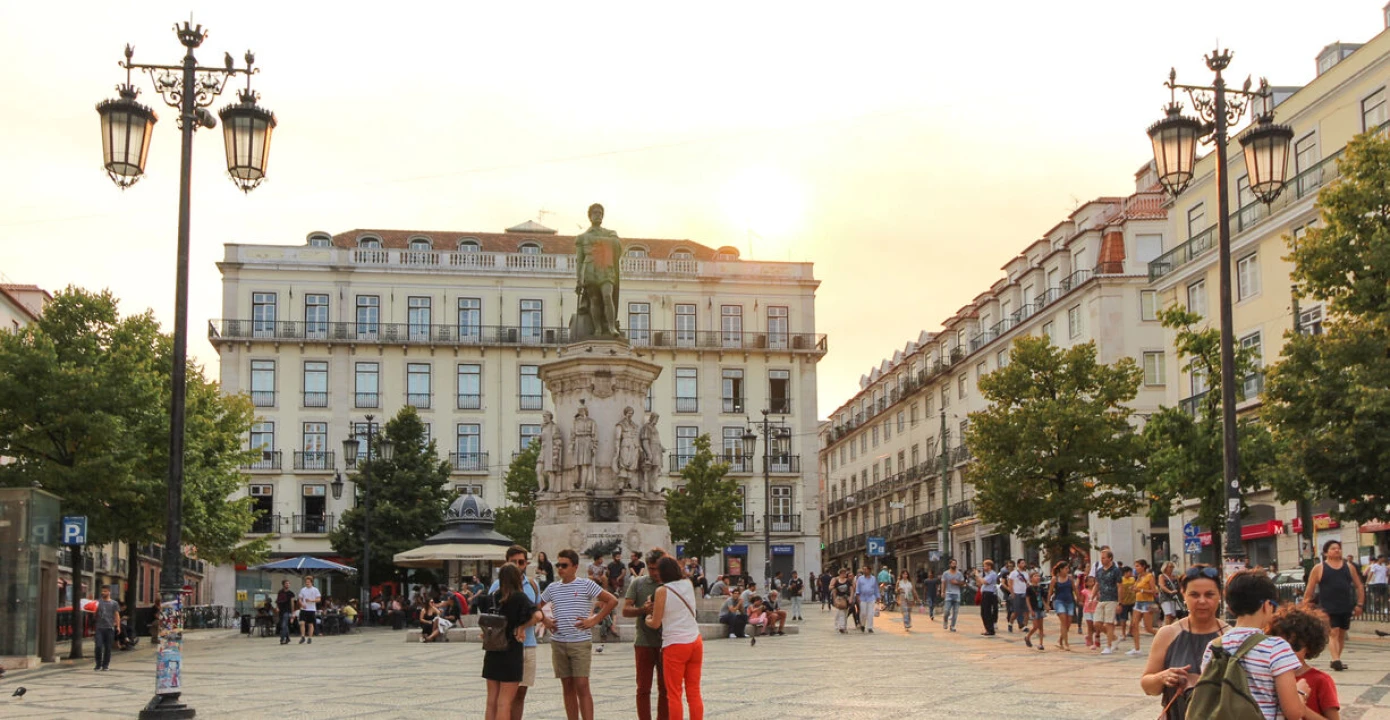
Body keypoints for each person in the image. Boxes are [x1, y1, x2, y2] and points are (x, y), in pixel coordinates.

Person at [1200, 570, 1304, 720]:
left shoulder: (1214, 646)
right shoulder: (1276, 647)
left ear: (1230, 608)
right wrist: (1301, 693)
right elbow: (1293, 712)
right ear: (1267, 605)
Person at [539, 548, 618, 720]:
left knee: (582, 685)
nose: (560, 568)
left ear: (575, 567)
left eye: (564, 565)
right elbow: (536, 606)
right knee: (567, 686)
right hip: (558, 641)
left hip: (580, 641)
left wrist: (595, 620)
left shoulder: (585, 584)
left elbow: (612, 600)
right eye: (558, 565)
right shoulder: (552, 587)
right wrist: (545, 620)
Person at [1139, 564, 1225, 720]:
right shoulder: (1168, 634)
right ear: (1183, 595)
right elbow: (1147, 686)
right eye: (1194, 595)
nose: (1202, 601)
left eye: (1209, 594)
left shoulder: (1230, 636)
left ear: (1220, 595)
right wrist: (1162, 677)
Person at [645, 556, 703, 720]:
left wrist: (647, 618)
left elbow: (656, 623)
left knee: (674, 693)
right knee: (694, 691)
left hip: (675, 645)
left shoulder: (662, 590)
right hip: (695, 641)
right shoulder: (688, 584)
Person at [483, 563, 543, 720]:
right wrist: (522, 627)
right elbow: (538, 616)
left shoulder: (494, 596)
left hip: (493, 651)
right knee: (505, 703)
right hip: (512, 651)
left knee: (491, 702)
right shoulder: (520, 597)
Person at [1268, 605, 1340, 720]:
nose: (1288, 651)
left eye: (1295, 646)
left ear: (1309, 646)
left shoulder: (1320, 680)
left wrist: (1298, 707)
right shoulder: (1269, 676)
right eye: (1281, 645)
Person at [1304, 540, 1366, 671]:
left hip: (1345, 606)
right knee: (1334, 632)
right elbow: (1309, 589)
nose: (1337, 550)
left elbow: (1359, 585)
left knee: (1341, 634)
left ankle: (1336, 658)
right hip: (1328, 606)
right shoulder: (1319, 568)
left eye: (1338, 548)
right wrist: (1305, 604)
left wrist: (1360, 604)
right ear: (1326, 552)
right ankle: (1336, 659)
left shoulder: (1349, 567)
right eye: (1333, 548)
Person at [623, 548, 668, 720]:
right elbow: (626, 610)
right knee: (643, 688)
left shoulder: (671, 584)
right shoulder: (639, 583)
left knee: (665, 689)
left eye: (657, 568)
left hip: (667, 642)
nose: (655, 573)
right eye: (651, 568)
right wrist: (643, 609)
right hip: (643, 641)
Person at [1093, 549, 1123, 655]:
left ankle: (1109, 646)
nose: (1102, 560)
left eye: (1104, 558)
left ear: (1110, 558)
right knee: (1096, 623)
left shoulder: (1116, 570)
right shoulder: (1099, 571)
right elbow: (1097, 584)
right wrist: (1092, 597)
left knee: (1109, 623)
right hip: (1102, 599)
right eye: (1101, 558)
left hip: (1112, 599)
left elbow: (1120, 586)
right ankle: (1114, 638)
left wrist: (1120, 602)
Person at [1049, 561, 1075, 651]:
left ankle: (1060, 640)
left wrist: (1079, 599)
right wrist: (1047, 604)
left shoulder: (1070, 578)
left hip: (1070, 601)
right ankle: (1066, 643)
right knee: (1063, 621)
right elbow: (1050, 591)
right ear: (1061, 569)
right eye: (1066, 568)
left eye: (1068, 568)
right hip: (1059, 601)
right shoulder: (1055, 579)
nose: (1067, 570)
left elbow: (1074, 589)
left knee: (1068, 623)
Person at [93, 586, 120, 671]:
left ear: (109, 592)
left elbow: (116, 615)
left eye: (105, 591)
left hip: (109, 628)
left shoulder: (114, 603)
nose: (103, 593)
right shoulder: (98, 602)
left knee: (108, 647)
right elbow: (93, 612)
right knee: (98, 646)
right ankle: (98, 664)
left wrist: (118, 626)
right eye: (102, 591)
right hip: (99, 628)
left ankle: (105, 665)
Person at [974, 559, 1000, 636]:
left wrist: (978, 575)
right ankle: (988, 628)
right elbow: (979, 583)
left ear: (989, 566)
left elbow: (984, 582)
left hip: (989, 594)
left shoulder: (992, 574)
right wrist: (977, 577)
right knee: (984, 612)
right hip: (985, 593)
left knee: (986, 612)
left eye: (985, 566)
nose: (983, 567)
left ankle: (990, 629)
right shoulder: (987, 574)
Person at [1022, 571, 1046, 651]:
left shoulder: (1041, 588)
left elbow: (1042, 598)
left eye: (1038, 576)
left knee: (1041, 627)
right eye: (1035, 576)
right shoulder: (1029, 588)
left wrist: (1046, 605)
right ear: (1031, 578)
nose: (1038, 577)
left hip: (1040, 608)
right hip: (1034, 608)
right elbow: (1027, 599)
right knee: (1036, 626)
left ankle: (1041, 643)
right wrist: (1030, 609)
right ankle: (1028, 636)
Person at [853, 565, 879, 634]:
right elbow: (857, 588)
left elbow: (876, 588)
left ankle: (870, 627)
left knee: (870, 613)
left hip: (871, 598)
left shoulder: (873, 578)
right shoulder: (860, 579)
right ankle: (862, 625)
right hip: (862, 598)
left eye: (865, 569)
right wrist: (857, 597)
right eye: (863, 569)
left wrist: (878, 596)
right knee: (863, 613)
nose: (864, 571)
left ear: (869, 570)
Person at [1008, 559, 1031, 637]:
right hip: (1017, 593)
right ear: (1018, 564)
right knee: (1016, 611)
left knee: (1026, 611)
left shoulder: (1026, 573)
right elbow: (1010, 584)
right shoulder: (1013, 573)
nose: (1024, 564)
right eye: (1022, 563)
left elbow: (1028, 583)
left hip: (1025, 593)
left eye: (1024, 563)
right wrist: (1012, 593)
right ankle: (1010, 623)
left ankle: (1024, 626)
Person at [941, 559, 964, 632]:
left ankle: (952, 625)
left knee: (955, 612)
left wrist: (956, 582)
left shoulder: (959, 574)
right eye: (953, 563)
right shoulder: (946, 573)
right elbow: (943, 583)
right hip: (948, 594)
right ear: (950, 564)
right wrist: (942, 592)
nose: (954, 565)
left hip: (957, 594)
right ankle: (945, 621)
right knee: (946, 610)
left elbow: (963, 583)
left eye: (955, 563)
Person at [298, 576, 321, 645]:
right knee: (302, 623)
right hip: (304, 609)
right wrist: (302, 604)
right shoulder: (303, 590)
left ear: (311, 582)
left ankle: (310, 637)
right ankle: (303, 636)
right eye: (306, 582)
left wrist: (311, 600)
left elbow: (319, 599)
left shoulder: (315, 590)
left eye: (308, 582)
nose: (307, 583)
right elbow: (300, 599)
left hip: (311, 609)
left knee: (310, 624)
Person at [829, 568, 854, 634]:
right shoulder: (836, 581)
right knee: (841, 613)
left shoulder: (848, 581)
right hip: (839, 599)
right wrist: (834, 600)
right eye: (842, 573)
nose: (844, 574)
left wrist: (851, 598)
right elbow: (834, 590)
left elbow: (851, 590)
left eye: (845, 573)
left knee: (845, 613)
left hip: (846, 599)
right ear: (840, 573)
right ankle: (841, 627)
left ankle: (844, 627)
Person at [1157, 561, 1181, 626]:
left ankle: (1166, 627)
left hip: (1174, 598)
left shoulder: (1175, 576)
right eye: (1170, 567)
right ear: (1165, 568)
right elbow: (1162, 586)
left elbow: (1179, 586)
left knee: (1173, 615)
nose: (1172, 568)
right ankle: (1166, 630)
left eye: (1172, 567)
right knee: (1168, 614)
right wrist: (1170, 591)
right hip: (1165, 597)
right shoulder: (1162, 576)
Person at [1082, 576, 1100, 650]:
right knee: (1090, 626)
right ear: (1086, 583)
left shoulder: (1096, 591)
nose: (1091, 583)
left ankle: (1092, 638)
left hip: (1095, 610)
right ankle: (1091, 641)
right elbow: (1082, 600)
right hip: (1087, 610)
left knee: (1096, 626)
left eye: (1093, 581)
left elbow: (1099, 598)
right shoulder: (1084, 591)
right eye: (1089, 581)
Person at [275, 579, 295, 645]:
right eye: (286, 583)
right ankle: (288, 638)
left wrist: (293, 612)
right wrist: (277, 607)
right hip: (281, 611)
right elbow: (277, 601)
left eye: (288, 583)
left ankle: (282, 638)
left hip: (287, 610)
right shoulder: (280, 592)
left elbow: (292, 603)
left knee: (284, 625)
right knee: (284, 625)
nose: (288, 585)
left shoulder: (291, 593)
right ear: (283, 584)